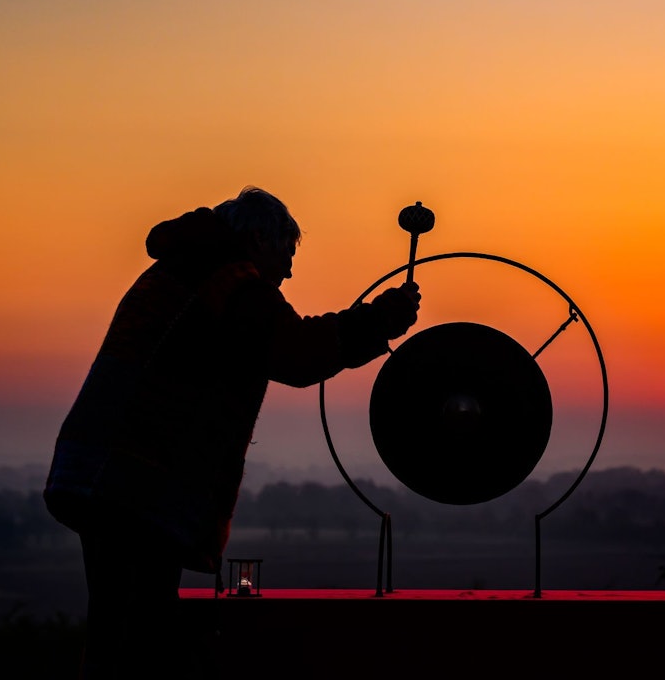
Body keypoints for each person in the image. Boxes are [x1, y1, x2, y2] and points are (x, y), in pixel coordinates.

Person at [43, 186, 421, 678]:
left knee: (117, 625)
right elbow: (296, 351)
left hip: (101, 471)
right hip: (136, 481)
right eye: (285, 255)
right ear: (259, 238)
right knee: (140, 633)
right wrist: (379, 320)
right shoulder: (229, 281)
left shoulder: (179, 268)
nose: (286, 273)